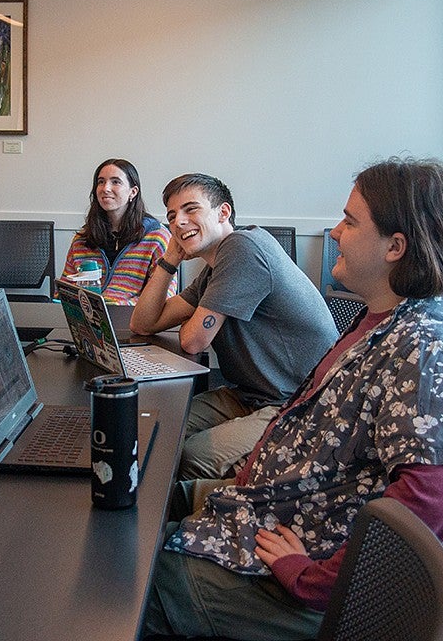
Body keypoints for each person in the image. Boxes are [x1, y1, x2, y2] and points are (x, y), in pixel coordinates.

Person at [141, 157, 443, 640]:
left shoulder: (429, 351)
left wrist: (312, 580)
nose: (332, 233)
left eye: (350, 221)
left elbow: (439, 502)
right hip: (276, 507)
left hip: (298, 564)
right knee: (137, 498)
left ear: (396, 246)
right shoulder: (383, 320)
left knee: (130, 585)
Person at [130, 173, 337, 480]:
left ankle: (197, 518)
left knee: (191, 456)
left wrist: (195, 321)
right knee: (155, 425)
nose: (179, 222)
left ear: (223, 212)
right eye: (172, 217)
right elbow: (144, 323)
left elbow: (193, 342)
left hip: (299, 402)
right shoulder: (215, 267)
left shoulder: (243, 247)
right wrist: (170, 259)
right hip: (251, 394)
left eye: (191, 210)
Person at [59, 158, 175, 305]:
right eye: (101, 182)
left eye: (116, 182)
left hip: (133, 321)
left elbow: (164, 295)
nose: (106, 188)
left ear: (133, 192)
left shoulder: (157, 237)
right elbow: (63, 291)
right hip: (88, 321)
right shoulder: (82, 239)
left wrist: (118, 307)